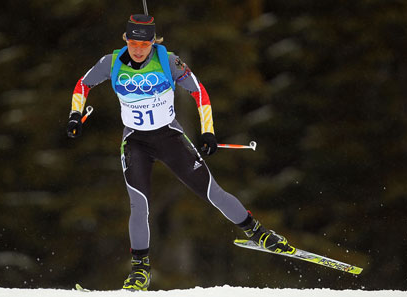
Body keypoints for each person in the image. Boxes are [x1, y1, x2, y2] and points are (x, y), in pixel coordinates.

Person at [67, 14, 295, 291]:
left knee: (212, 192)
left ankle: (257, 233)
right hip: (135, 142)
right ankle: (140, 272)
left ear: (154, 41)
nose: (139, 50)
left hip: (169, 138)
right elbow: (83, 84)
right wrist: (75, 115)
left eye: (145, 43)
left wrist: (208, 131)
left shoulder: (169, 62)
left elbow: (200, 93)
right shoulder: (111, 62)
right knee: (139, 205)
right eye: (134, 43)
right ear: (126, 40)